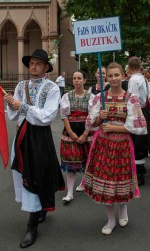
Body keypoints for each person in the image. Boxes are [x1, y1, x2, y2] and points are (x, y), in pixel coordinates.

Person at [4, 49, 65, 248]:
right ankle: (37, 211)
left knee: (38, 176)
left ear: (46, 67)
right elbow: (13, 116)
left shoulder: (52, 88)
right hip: (22, 136)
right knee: (24, 176)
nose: (33, 67)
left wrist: (21, 106)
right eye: (31, 63)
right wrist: (11, 105)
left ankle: (32, 227)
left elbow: (47, 116)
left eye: (38, 63)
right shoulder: (21, 86)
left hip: (40, 138)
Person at [84, 62, 147, 235]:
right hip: (103, 145)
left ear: (123, 76)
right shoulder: (100, 98)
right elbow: (90, 124)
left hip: (122, 145)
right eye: (110, 75)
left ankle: (123, 208)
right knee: (105, 183)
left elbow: (139, 126)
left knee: (121, 181)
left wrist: (114, 128)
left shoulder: (130, 98)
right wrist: (99, 118)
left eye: (116, 75)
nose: (113, 78)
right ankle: (110, 219)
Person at [59, 70, 94, 203]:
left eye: (79, 78)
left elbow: (92, 117)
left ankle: (85, 183)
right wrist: (72, 134)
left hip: (86, 131)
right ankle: (69, 193)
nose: (76, 80)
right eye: (74, 78)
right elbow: (64, 116)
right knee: (70, 163)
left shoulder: (91, 97)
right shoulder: (67, 96)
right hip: (70, 132)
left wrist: (85, 134)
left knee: (87, 160)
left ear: (84, 80)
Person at [127, 57, 150, 186]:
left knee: (137, 140)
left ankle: (138, 174)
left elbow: (133, 99)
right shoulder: (144, 79)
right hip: (145, 111)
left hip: (137, 112)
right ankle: (140, 168)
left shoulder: (133, 80)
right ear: (140, 67)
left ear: (129, 68)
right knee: (142, 139)